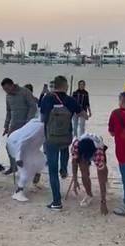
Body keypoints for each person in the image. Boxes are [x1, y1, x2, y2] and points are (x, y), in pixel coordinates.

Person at [40, 75, 86, 210]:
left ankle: (56, 202)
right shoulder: (70, 99)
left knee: (52, 171)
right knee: (65, 148)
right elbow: (84, 115)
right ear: (65, 86)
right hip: (66, 137)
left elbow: (42, 118)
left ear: (55, 86)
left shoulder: (47, 98)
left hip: (51, 138)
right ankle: (64, 169)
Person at [1, 78, 38, 175]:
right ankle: (13, 167)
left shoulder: (25, 92)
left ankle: (34, 170)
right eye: (4, 90)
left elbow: (32, 106)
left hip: (26, 125)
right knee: (9, 146)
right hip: (13, 126)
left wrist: (28, 122)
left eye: (7, 88)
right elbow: (8, 112)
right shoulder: (8, 96)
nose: (6, 91)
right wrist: (6, 126)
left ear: (12, 85)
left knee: (26, 149)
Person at [6, 117, 45, 202]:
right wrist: (18, 158)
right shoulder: (38, 127)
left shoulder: (47, 126)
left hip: (30, 147)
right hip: (16, 144)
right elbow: (22, 140)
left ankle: (34, 183)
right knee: (26, 169)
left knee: (41, 161)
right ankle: (18, 192)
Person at [70, 133, 109, 215]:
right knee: (84, 173)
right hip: (83, 149)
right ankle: (89, 194)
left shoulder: (98, 152)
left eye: (86, 158)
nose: (84, 159)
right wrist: (75, 179)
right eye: (83, 157)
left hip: (96, 145)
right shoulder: (76, 145)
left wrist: (103, 201)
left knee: (103, 174)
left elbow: (100, 179)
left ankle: (106, 183)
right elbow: (74, 162)